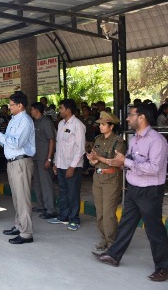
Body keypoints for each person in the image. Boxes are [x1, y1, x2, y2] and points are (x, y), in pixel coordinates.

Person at [92, 104, 168, 282]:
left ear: (141, 117)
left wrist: (126, 161)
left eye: (130, 115)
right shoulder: (134, 139)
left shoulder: (157, 141)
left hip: (149, 190)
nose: (127, 118)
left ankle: (163, 267)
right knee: (126, 223)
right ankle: (114, 255)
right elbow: (130, 161)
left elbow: (155, 168)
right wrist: (122, 162)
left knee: (154, 229)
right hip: (134, 188)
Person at [0, 92, 35, 244]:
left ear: (20, 105)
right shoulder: (14, 120)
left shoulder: (25, 121)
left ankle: (26, 234)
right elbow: (8, 142)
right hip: (12, 162)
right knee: (16, 197)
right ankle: (19, 225)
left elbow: (17, 143)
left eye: (11, 104)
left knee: (23, 199)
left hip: (21, 162)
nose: (9, 107)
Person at [86, 112, 127, 252]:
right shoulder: (98, 139)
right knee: (100, 212)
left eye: (103, 124)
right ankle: (104, 238)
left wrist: (99, 158)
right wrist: (92, 159)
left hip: (111, 180)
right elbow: (95, 161)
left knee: (109, 213)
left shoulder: (119, 142)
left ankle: (112, 243)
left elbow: (117, 162)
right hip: (97, 178)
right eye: (100, 124)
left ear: (111, 126)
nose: (100, 127)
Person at [48, 99, 85, 231]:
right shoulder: (61, 124)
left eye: (61, 108)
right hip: (61, 164)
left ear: (68, 110)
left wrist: (72, 166)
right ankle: (63, 216)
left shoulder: (78, 125)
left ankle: (74, 219)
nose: (60, 110)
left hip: (72, 167)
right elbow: (59, 145)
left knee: (73, 193)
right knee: (63, 192)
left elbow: (80, 148)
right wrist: (55, 163)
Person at [30, 102, 57, 219]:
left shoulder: (46, 122)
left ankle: (50, 209)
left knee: (46, 183)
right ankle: (41, 205)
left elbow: (52, 140)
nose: (30, 112)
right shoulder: (34, 122)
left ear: (36, 110)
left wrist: (49, 159)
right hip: (35, 157)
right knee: (37, 183)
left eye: (32, 110)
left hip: (44, 158)